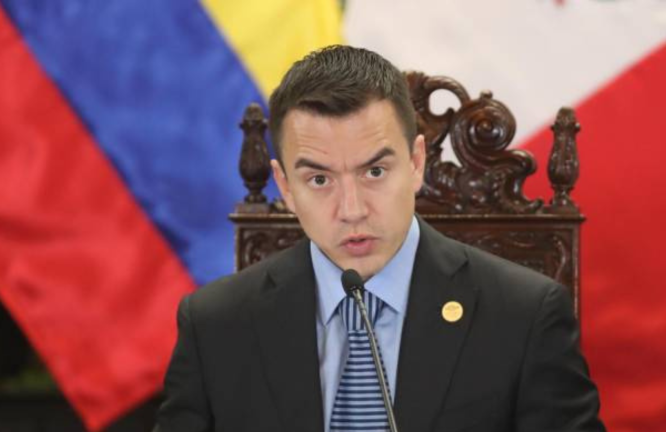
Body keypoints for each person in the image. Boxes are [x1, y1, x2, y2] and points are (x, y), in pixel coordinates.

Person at [154, 45, 606, 432]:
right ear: (286, 186)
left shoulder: (524, 315)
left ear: (415, 162)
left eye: (374, 171)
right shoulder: (214, 326)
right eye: (319, 180)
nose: (352, 209)